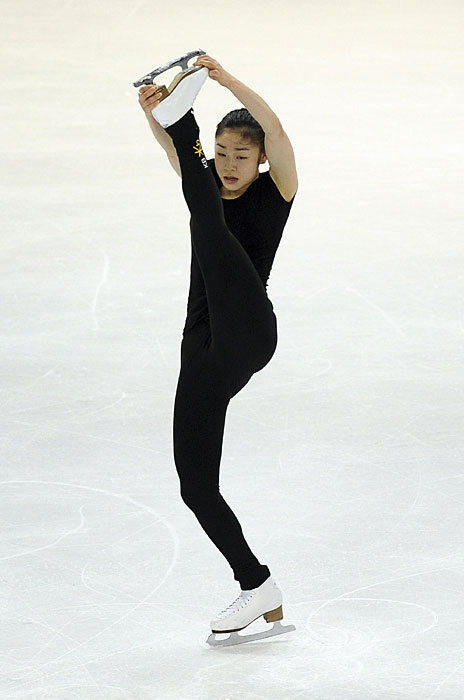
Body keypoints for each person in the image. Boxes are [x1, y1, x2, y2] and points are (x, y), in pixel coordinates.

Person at [138, 54, 298, 642]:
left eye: (241, 156)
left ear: (261, 160)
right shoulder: (202, 180)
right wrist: (154, 114)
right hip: (204, 344)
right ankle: (257, 584)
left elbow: (274, 129)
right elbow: (181, 160)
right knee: (195, 486)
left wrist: (225, 81)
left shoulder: (278, 190)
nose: (230, 165)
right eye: (222, 153)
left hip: (249, 325)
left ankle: (184, 122)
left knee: (206, 218)